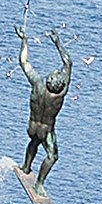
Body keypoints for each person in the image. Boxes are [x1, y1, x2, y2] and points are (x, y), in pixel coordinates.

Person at [17, 23, 75, 185]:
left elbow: (23, 62)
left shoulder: (38, 85)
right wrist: (58, 43)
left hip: (32, 126)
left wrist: (24, 41)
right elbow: (68, 63)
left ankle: (26, 167)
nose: (58, 71)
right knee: (52, 156)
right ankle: (39, 183)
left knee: (33, 142)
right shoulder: (60, 95)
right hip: (46, 131)